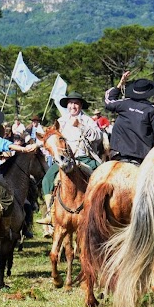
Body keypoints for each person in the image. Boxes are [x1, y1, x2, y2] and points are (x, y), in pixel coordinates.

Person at [37, 91, 102, 226]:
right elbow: (51, 138)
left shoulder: (88, 120)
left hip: (84, 157)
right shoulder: (60, 122)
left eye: (76, 103)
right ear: (67, 105)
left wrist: (81, 126)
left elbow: (98, 137)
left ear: (80, 105)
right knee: (47, 180)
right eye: (71, 103)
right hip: (64, 159)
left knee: (101, 178)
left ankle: (98, 211)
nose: (73, 106)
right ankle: (50, 212)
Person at [104, 71, 154, 163]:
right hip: (141, 156)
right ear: (149, 93)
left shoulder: (124, 103)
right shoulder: (152, 110)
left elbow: (108, 100)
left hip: (117, 153)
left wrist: (120, 84)